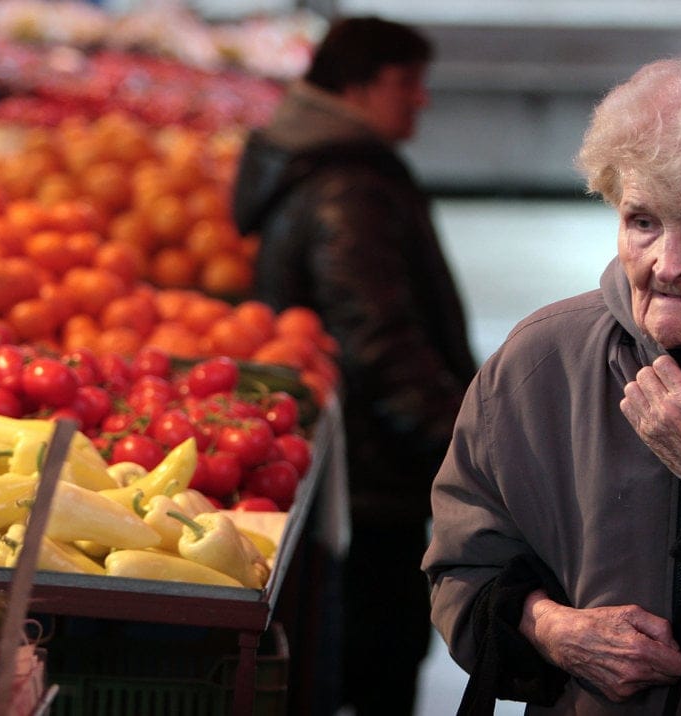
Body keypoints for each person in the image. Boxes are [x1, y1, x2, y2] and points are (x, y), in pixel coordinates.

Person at [422, 53, 681, 714]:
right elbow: (461, 570)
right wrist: (549, 627)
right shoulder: (539, 364)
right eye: (642, 222)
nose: (666, 264)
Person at [232, 16, 477, 716]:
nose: (421, 100)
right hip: (373, 474)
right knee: (379, 660)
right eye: (407, 83)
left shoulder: (320, 163)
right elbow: (379, 341)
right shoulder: (350, 188)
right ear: (358, 85)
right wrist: (465, 448)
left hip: (359, 463)